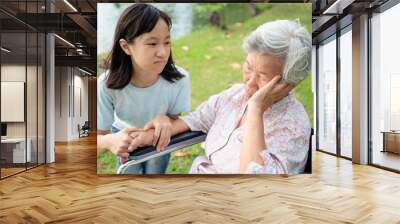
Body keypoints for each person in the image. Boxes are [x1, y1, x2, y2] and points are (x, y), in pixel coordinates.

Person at [128, 19, 311, 174]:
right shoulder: (235, 95)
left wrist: (255, 110)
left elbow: (255, 187)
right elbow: (198, 119)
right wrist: (149, 136)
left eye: (263, 77)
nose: (250, 82)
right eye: (248, 67)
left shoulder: (292, 126)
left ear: (288, 84)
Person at [97, 4, 191, 174]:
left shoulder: (179, 79)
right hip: (124, 134)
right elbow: (96, 137)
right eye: (152, 43)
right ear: (126, 47)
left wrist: (165, 120)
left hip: (158, 135)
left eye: (167, 42)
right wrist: (110, 141)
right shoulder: (107, 84)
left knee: (156, 174)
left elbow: (175, 118)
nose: (162, 52)